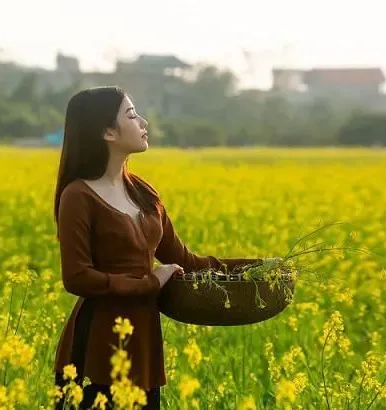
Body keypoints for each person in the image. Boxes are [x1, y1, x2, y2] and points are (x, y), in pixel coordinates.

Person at [52, 86, 261, 409]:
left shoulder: (144, 193)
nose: (143, 122)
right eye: (132, 115)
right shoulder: (78, 196)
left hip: (144, 344)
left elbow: (184, 260)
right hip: (97, 343)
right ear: (107, 132)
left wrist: (257, 267)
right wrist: (151, 282)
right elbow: (77, 278)